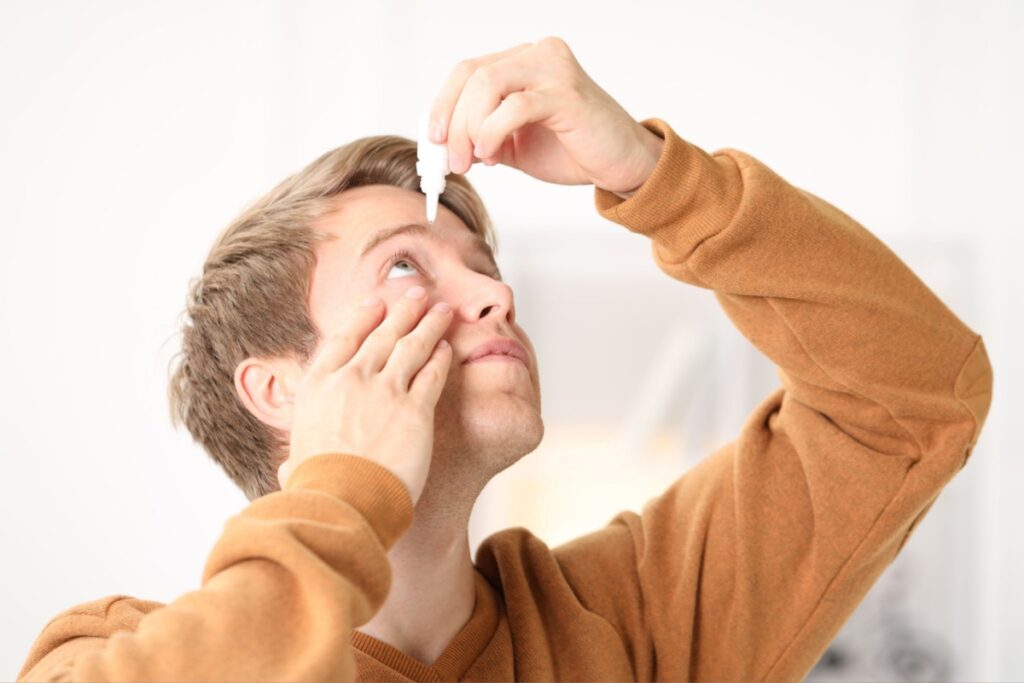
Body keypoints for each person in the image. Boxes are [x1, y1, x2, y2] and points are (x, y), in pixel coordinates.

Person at [17, 37, 993, 682]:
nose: (496, 295)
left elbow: (909, 394)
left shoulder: (632, 617)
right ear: (280, 387)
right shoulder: (103, 653)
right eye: (406, 264)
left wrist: (658, 180)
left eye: (485, 265)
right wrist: (345, 490)